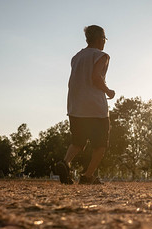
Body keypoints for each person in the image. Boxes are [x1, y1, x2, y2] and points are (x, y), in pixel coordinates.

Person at [56, 25, 115, 184]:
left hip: (75, 106)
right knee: (100, 144)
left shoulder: (76, 57)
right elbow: (95, 77)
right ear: (100, 39)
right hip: (95, 107)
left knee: (78, 142)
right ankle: (88, 176)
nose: (105, 42)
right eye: (104, 39)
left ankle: (65, 162)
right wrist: (108, 91)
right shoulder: (102, 56)